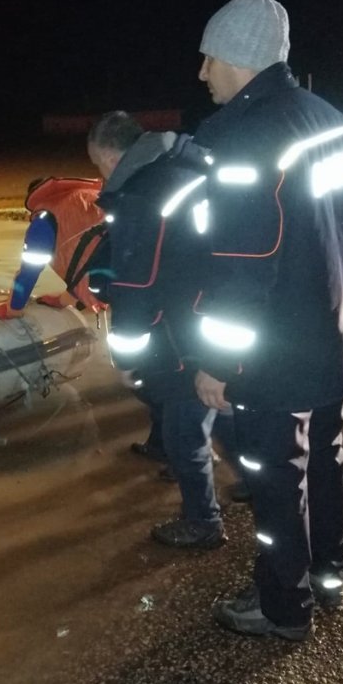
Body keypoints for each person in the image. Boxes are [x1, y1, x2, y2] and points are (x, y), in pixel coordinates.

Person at [184, 0, 343, 639]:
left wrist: (217, 362)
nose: (203, 72)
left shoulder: (246, 140)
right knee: (326, 456)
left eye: (208, 57)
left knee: (276, 476)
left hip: (280, 347)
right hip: (336, 331)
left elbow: (242, 268)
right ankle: (330, 575)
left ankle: (282, 606)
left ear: (236, 57)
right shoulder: (329, 121)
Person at [87, 111, 237, 549]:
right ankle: (257, 484)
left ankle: (203, 522)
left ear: (110, 157)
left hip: (181, 333)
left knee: (182, 429)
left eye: (97, 165)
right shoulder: (193, 163)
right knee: (224, 407)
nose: (100, 176)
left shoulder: (141, 193)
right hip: (220, 316)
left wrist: (127, 360)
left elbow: (135, 286)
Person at [0, 176, 107, 319]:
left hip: (119, 281)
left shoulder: (44, 218)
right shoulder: (89, 198)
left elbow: (29, 271)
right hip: (131, 266)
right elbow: (88, 255)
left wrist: (13, 310)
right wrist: (62, 301)